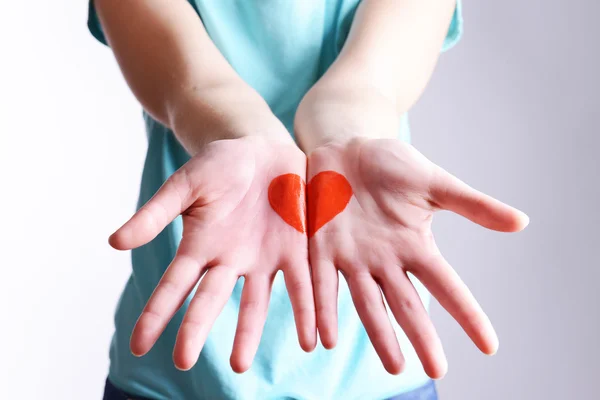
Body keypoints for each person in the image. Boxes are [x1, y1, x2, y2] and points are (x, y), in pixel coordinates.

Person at [89, 0, 528, 399]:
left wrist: (346, 139)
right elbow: (189, 84)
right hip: (171, 375)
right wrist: (252, 139)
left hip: (369, 369)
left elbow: (369, 84)